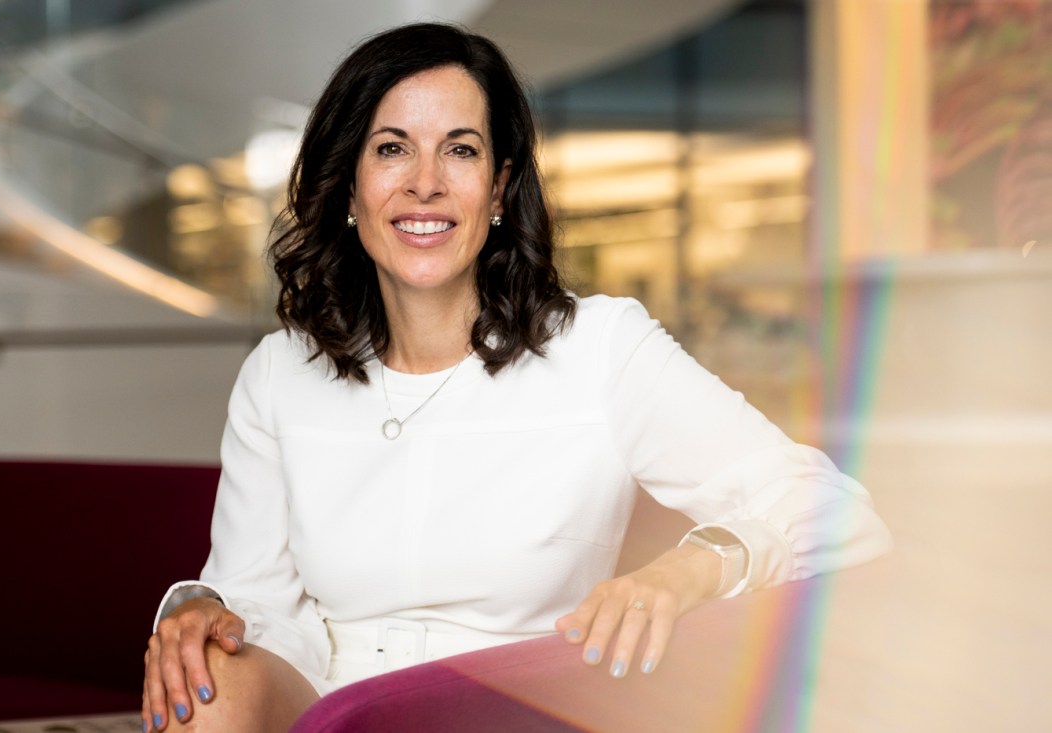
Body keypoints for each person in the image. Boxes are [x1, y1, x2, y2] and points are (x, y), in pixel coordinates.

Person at [141, 22, 891, 733]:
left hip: (509, 709)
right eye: (393, 149)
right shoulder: (279, 373)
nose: (426, 183)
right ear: (348, 186)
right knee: (201, 682)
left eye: (460, 151)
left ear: (499, 191)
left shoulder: (600, 347)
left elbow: (836, 510)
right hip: (335, 713)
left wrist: (691, 569)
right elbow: (254, 604)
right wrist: (199, 606)